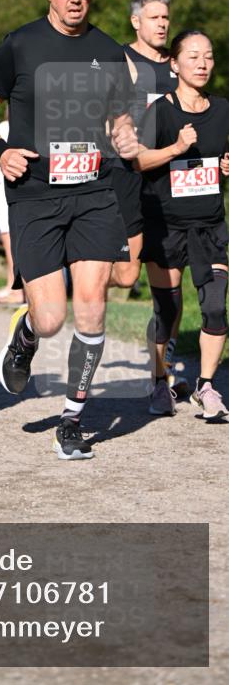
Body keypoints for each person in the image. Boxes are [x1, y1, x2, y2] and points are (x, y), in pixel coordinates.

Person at [0, 0, 138, 461]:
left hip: (92, 192)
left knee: (92, 307)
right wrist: (0, 152)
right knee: (50, 318)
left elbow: (121, 121)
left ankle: (72, 418)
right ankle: (25, 336)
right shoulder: (20, 45)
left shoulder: (110, 53)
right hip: (36, 195)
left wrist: (127, 136)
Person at [135, 30, 229, 420]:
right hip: (166, 224)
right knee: (167, 310)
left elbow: (222, 157)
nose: (202, 63)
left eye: (207, 56)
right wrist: (175, 148)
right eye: (192, 56)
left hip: (209, 224)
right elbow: (137, 160)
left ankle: (207, 386)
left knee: (215, 308)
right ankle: (160, 382)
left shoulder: (223, 109)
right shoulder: (160, 111)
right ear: (174, 65)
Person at [109, 0, 184, 385]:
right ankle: (62, 281)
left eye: (166, 17)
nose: (162, 24)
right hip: (127, 179)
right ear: (136, 21)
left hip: (171, 184)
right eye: (154, 17)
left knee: (170, 283)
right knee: (125, 276)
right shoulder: (120, 60)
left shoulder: (180, 65)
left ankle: (163, 374)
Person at [0, 118, 25, 305]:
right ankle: (11, 284)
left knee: (9, 239)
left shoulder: (3, 127)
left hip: (4, 186)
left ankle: (16, 289)